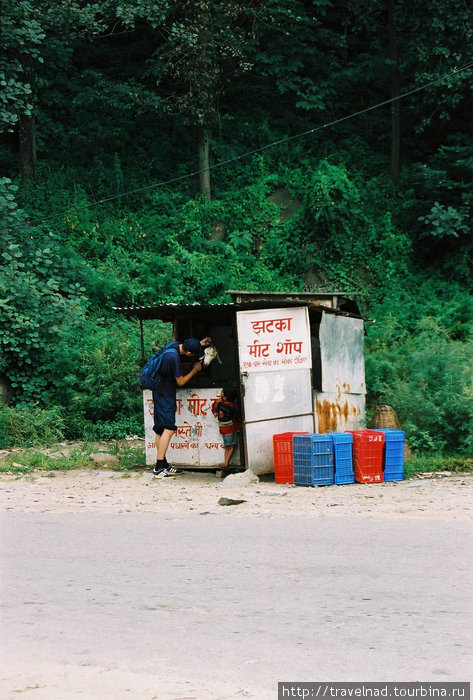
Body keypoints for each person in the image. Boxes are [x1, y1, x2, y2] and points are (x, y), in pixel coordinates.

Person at [153, 336, 212, 479]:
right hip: (165, 393)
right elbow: (180, 382)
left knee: (160, 428)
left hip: (159, 390)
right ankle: (159, 467)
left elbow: (189, 346)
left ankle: (164, 463)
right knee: (169, 429)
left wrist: (200, 343)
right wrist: (194, 370)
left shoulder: (174, 346)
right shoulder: (173, 358)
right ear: (189, 354)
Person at [211, 386, 240, 469]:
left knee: (229, 447)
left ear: (226, 396)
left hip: (230, 429)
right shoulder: (222, 404)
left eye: (222, 392)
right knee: (227, 446)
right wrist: (217, 403)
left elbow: (235, 416)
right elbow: (215, 411)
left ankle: (226, 464)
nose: (220, 393)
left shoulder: (229, 406)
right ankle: (225, 463)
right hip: (224, 429)